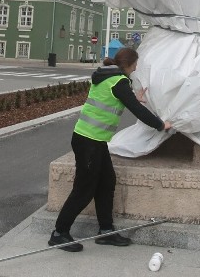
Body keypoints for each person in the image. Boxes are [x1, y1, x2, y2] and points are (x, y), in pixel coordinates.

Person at [49, 48, 172, 252]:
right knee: (84, 189)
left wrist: (134, 98)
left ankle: (106, 230)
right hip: (88, 141)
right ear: (130, 65)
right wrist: (161, 125)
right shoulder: (119, 82)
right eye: (136, 65)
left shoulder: (107, 76)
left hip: (93, 141)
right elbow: (138, 111)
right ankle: (59, 232)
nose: (137, 68)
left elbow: (117, 98)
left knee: (107, 182)